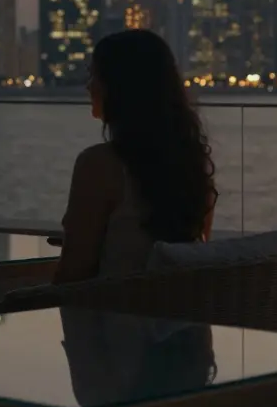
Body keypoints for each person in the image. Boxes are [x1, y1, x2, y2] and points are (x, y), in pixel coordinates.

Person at [52, 29, 218, 284]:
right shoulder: (193, 164)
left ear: (119, 87)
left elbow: (74, 272)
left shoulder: (99, 165)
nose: (88, 86)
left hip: (113, 319)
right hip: (182, 320)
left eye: (94, 75)